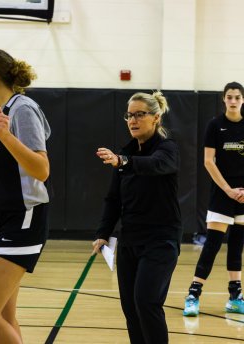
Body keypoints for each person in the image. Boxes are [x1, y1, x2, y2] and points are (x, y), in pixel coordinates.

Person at [0, 48, 51, 344]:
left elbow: (41, 169)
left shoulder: (23, 109)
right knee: (3, 316)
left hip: (22, 218)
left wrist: (7, 137)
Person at [92, 91, 182, 344]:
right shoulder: (126, 152)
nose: (133, 120)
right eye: (129, 115)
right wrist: (102, 233)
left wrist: (123, 161)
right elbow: (113, 199)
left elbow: (155, 165)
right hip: (130, 240)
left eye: (139, 114)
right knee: (131, 308)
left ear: (155, 118)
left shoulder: (167, 148)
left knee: (147, 302)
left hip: (161, 240)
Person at [183, 81, 244, 317]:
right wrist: (227, 189)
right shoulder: (215, 125)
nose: (234, 101)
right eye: (229, 97)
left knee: (237, 243)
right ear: (224, 99)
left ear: (243, 99)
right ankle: (193, 295)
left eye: (237, 97)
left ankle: (235, 297)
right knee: (213, 244)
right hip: (222, 192)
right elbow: (208, 161)